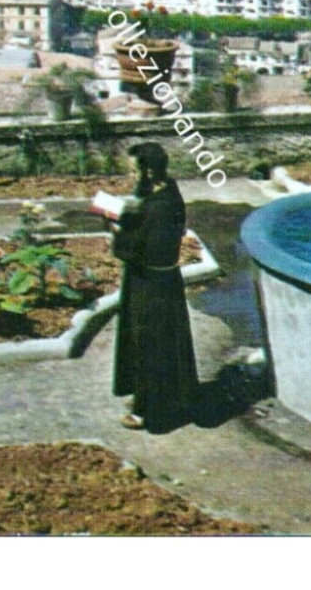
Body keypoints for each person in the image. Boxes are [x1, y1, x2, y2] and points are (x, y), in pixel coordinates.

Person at [109, 141, 198, 432]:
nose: (131, 177)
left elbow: (144, 248)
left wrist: (118, 233)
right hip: (152, 280)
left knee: (149, 347)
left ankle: (147, 411)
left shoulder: (161, 208)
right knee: (150, 343)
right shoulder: (165, 190)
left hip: (153, 284)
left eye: (134, 171)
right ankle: (149, 397)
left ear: (148, 171)